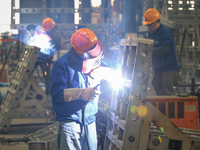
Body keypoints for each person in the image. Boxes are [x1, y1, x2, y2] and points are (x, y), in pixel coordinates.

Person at [51, 28, 103, 150]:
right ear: (80, 52)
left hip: (90, 119)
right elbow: (57, 95)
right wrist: (81, 93)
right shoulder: (62, 65)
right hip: (70, 121)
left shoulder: (96, 60)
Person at [142, 8, 178, 95]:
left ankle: (169, 109)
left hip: (167, 69)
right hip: (158, 68)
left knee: (166, 92)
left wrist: (150, 51)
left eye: (149, 25)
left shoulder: (165, 32)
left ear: (155, 23)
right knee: (156, 88)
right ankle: (161, 109)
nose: (148, 28)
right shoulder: (153, 33)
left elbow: (165, 50)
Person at [26, 17, 60, 95]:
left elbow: (57, 47)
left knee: (47, 77)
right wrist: (31, 31)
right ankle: (28, 90)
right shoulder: (39, 30)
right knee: (28, 73)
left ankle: (48, 94)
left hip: (45, 59)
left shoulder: (54, 36)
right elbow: (30, 27)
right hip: (36, 57)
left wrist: (51, 45)